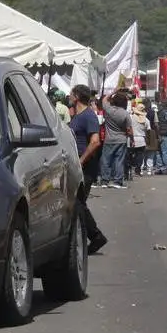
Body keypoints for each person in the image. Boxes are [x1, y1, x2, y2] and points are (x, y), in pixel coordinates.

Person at [68, 85, 108, 255]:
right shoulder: (77, 115)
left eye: (71, 94)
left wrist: (81, 160)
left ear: (76, 96)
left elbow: (95, 141)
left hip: (85, 167)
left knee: (79, 203)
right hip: (77, 165)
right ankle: (88, 236)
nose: (69, 96)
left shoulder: (89, 116)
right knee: (77, 203)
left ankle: (96, 236)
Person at [99, 91, 132, 188]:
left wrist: (113, 92)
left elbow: (104, 99)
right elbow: (129, 130)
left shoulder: (108, 109)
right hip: (121, 140)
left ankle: (105, 180)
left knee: (106, 160)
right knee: (119, 160)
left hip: (109, 139)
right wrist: (132, 139)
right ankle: (117, 181)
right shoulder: (125, 114)